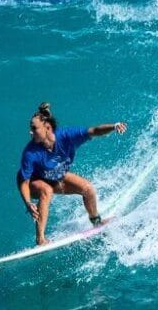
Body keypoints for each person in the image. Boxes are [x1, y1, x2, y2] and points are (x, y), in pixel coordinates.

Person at [16, 102, 128, 245]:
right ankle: (41, 239)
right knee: (46, 190)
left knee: (87, 188)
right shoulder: (30, 152)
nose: (30, 132)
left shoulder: (67, 136)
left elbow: (94, 131)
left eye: (34, 128)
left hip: (55, 175)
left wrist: (113, 126)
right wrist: (28, 202)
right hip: (33, 181)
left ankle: (96, 222)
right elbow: (24, 182)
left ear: (47, 128)